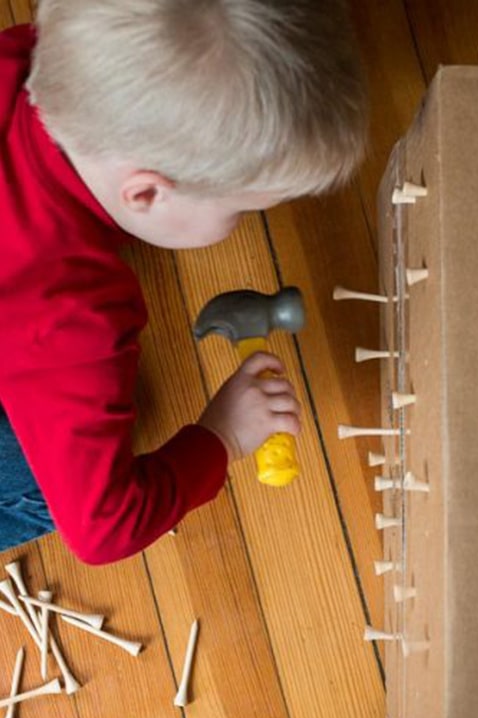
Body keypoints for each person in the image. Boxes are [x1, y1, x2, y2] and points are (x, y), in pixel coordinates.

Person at [0, 0, 368, 565]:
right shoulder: (77, 324)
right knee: (42, 480)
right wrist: (219, 438)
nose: (248, 220)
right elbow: (104, 530)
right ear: (145, 193)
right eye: (245, 209)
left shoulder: (26, 52)